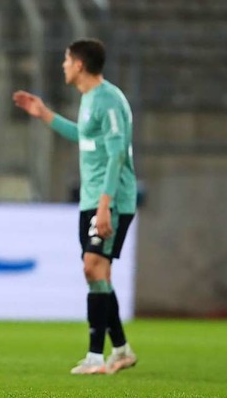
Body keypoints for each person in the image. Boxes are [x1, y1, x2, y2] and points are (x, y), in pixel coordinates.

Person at [13, 38, 138, 375]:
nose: (63, 65)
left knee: (92, 268)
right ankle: (121, 349)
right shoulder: (90, 99)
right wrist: (44, 114)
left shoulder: (109, 100)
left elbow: (115, 154)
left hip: (109, 200)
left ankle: (97, 356)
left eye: (67, 60)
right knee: (97, 272)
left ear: (79, 64)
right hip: (93, 199)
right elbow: (84, 136)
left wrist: (105, 205)